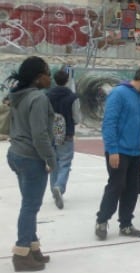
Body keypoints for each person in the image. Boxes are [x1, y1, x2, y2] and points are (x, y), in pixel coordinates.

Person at [95, 65, 140, 240]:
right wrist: (112, 149)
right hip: (119, 151)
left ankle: (126, 224)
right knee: (116, 186)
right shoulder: (119, 94)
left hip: (135, 152)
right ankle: (102, 220)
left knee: (132, 189)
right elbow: (109, 123)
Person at [6, 56, 56, 272]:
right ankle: (22, 251)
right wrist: (51, 158)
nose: (50, 77)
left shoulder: (18, 95)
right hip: (31, 157)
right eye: (47, 73)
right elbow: (40, 135)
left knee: (30, 204)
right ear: (38, 78)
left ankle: (32, 248)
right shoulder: (38, 98)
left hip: (16, 154)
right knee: (30, 206)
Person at [47, 69, 81, 209]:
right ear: (67, 80)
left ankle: (54, 188)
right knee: (65, 162)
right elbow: (76, 118)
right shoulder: (72, 97)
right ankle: (59, 187)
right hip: (66, 133)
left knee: (53, 161)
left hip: (49, 134)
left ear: (54, 79)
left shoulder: (46, 95)